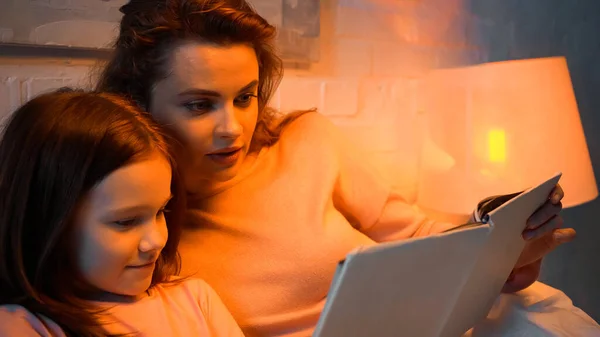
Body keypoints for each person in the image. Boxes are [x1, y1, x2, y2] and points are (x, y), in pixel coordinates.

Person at [96, 0, 599, 336]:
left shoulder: (306, 142)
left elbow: (415, 233)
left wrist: (502, 254)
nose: (233, 128)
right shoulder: (130, 223)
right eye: (199, 105)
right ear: (138, 105)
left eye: (245, 97)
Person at [0, 89, 245, 336]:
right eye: (126, 221)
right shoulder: (19, 325)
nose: (156, 241)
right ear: (48, 222)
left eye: (161, 211)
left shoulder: (195, 299)